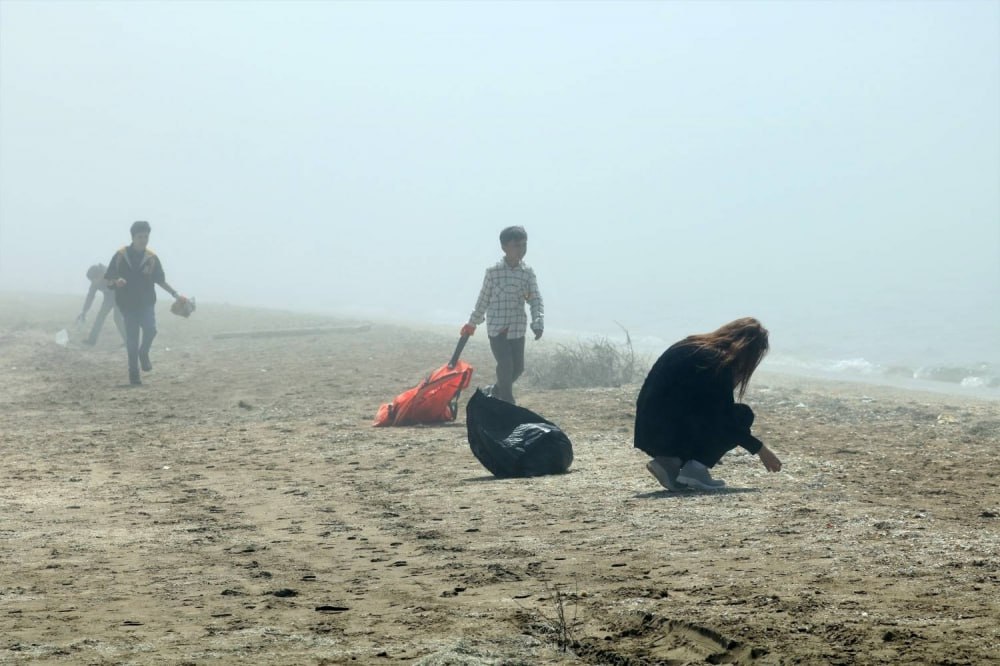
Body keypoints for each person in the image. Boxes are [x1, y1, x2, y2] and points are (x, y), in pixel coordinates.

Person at [634, 317, 782, 491]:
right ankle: (695, 470)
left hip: (648, 432)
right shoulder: (717, 361)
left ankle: (669, 462)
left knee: (705, 414)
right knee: (742, 415)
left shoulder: (689, 345)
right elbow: (724, 420)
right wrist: (760, 449)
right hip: (668, 434)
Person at [460, 226, 544, 404]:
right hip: (497, 329)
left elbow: (535, 299)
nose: (521, 249)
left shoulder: (527, 273)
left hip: (517, 328)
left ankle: (494, 391)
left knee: (518, 368)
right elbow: (483, 299)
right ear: (504, 247)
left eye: (524, 245)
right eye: (517, 245)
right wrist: (472, 323)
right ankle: (508, 402)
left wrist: (538, 322)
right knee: (505, 364)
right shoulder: (493, 272)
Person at [104, 221, 187, 385]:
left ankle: (144, 352)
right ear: (133, 238)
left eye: (146, 237)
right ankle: (134, 374)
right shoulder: (121, 255)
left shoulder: (151, 258)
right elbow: (109, 278)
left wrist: (176, 295)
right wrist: (116, 281)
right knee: (132, 339)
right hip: (127, 304)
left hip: (146, 303)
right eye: (140, 237)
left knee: (151, 329)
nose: (143, 240)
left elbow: (160, 280)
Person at [77, 263, 126, 346]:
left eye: (94, 280)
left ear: (100, 275)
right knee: (100, 318)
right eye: (91, 281)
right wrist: (84, 312)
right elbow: (90, 297)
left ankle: (128, 341)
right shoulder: (94, 283)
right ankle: (91, 341)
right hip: (108, 298)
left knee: (117, 318)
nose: (93, 282)